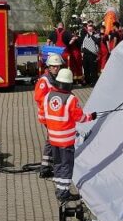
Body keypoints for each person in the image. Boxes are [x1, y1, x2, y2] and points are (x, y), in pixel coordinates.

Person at [39, 68, 95, 202]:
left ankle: (59, 188)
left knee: (57, 164)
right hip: (66, 141)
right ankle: (64, 193)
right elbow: (80, 118)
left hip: (53, 139)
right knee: (66, 165)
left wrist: (52, 126)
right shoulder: (71, 99)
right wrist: (91, 117)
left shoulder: (47, 96)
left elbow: (41, 117)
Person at [34, 53, 64, 178]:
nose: (56, 68)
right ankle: (46, 167)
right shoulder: (44, 80)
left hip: (55, 116)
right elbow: (39, 98)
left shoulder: (57, 78)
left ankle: (47, 165)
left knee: (52, 139)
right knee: (51, 140)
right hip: (48, 116)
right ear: (49, 67)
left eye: (58, 66)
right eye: (53, 66)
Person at [79, 21, 101, 86]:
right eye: (89, 29)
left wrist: (91, 35)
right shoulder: (85, 35)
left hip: (92, 55)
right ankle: (87, 81)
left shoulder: (96, 35)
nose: (90, 30)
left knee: (93, 69)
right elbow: (83, 43)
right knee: (86, 69)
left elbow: (97, 42)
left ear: (93, 29)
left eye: (91, 28)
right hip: (85, 55)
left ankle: (93, 82)